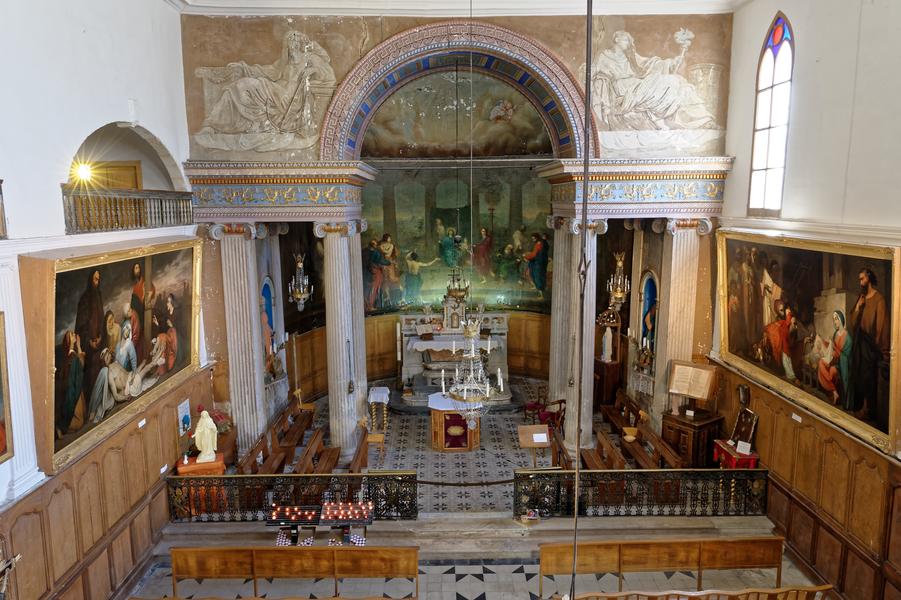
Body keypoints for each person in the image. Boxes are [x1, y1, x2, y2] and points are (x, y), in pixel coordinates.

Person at [588, 30, 718, 131]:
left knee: (678, 82)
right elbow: (593, 73)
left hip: (637, 84)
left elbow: (647, 64)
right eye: (626, 40)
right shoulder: (604, 56)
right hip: (623, 87)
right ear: (616, 39)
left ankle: (700, 120)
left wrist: (671, 63)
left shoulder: (630, 57)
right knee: (671, 82)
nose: (629, 43)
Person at [848, 268, 889, 421]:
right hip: (860, 342)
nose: (860, 282)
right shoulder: (861, 298)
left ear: (869, 279)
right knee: (857, 372)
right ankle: (860, 406)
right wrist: (858, 306)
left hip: (871, 346)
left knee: (867, 376)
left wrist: (878, 348)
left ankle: (867, 409)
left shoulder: (879, 299)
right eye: (859, 279)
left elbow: (881, 327)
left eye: (862, 279)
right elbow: (853, 323)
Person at [75, 270, 105, 404]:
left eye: (98, 280)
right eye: (95, 279)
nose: (96, 282)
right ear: (90, 280)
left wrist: (100, 337)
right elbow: (81, 326)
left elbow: (102, 320)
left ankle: (99, 405)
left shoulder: (99, 296)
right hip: (88, 347)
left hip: (98, 344)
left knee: (99, 375)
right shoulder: (84, 299)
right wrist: (89, 341)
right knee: (90, 379)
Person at [816, 311, 852, 405]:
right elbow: (831, 347)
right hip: (834, 361)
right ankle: (834, 391)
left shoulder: (848, 337)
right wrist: (823, 342)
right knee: (820, 362)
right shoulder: (836, 334)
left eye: (836, 319)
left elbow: (846, 356)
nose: (834, 322)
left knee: (832, 370)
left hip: (842, 365)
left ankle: (833, 390)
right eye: (833, 319)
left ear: (840, 320)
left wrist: (835, 350)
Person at [55, 330, 85, 438]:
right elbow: (81, 365)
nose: (74, 335)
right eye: (72, 335)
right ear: (69, 341)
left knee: (80, 420)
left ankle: (61, 426)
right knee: (79, 423)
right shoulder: (73, 356)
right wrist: (79, 345)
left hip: (71, 390)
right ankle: (60, 428)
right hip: (73, 392)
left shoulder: (70, 356)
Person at [130, 262, 154, 363]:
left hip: (143, 312)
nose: (137, 270)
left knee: (143, 336)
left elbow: (152, 291)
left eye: (138, 268)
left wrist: (145, 296)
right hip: (138, 313)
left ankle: (146, 358)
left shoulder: (145, 282)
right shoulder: (135, 286)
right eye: (136, 268)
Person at [365, 238, 390, 310]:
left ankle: (372, 305)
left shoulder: (369, 251)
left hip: (372, 270)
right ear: (375, 245)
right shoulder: (376, 252)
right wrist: (389, 263)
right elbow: (381, 261)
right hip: (376, 271)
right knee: (375, 289)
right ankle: (371, 306)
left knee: (374, 289)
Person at [523, 233, 549, 298]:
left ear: (537, 238)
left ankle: (541, 295)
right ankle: (538, 288)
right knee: (535, 274)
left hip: (538, 263)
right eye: (532, 238)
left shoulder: (539, 244)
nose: (533, 240)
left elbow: (534, 254)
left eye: (534, 238)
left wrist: (526, 256)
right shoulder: (539, 243)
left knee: (538, 277)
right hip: (538, 262)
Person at [379, 234, 402, 306]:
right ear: (386, 238)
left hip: (388, 263)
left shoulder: (381, 246)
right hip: (385, 263)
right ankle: (388, 297)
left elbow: (386, 253)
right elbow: (388, 253)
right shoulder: (390, 246)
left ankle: (391, 297)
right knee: (386, 279)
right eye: (389, 238)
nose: (390, 239)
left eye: (390, 238)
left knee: (389, 279)